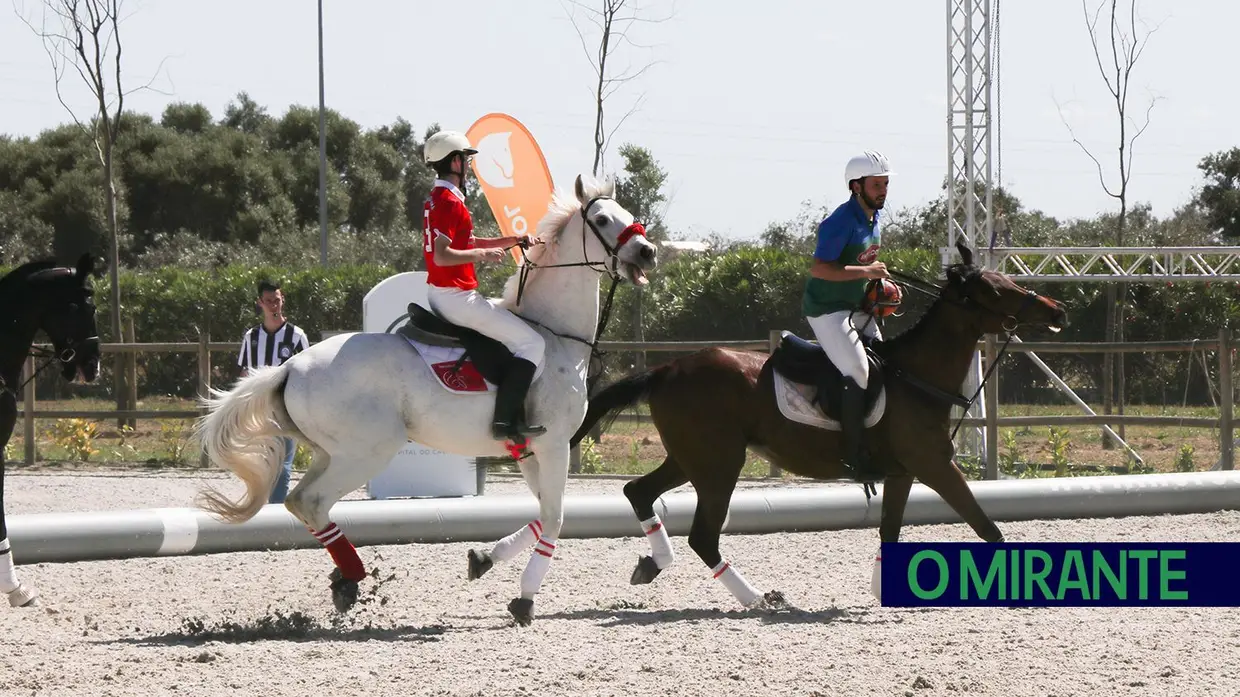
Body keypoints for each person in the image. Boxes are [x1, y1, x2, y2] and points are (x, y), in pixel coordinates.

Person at [420, 129, 544, 441]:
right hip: (456, 297)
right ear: (456, 162)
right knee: (533, 344)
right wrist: (483, 255)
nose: (469, 166)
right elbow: (444, 255)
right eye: (466, 159)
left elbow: (467, 240)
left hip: (442, 294)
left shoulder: (439, 199)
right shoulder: (448, 202)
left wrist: (513, 240)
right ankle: (504, 421)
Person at [801, 150, 896, 481]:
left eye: (885, 184)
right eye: (877, 184)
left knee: (888, 365)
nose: (883, 190)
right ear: (857, 187)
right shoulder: (839, 221)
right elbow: (819, 269)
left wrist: (879, 283)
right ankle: (852, 454)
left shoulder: (874, 218)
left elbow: (864, 269)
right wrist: (866, 271)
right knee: (858, 370)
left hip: (857, 309)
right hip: (826, 310)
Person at [237, 279, 310, 503]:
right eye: (268, 301)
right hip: (259, 410)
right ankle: (260, 507)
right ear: (260, 303)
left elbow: (308, 375)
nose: (273, 305)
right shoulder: (252, 337)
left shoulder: (297, 336)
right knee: (260, 462)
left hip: (286, 410)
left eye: (276, 300)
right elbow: (244, 374)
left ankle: (275, 512)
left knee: (282, 464)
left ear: (282, 300)